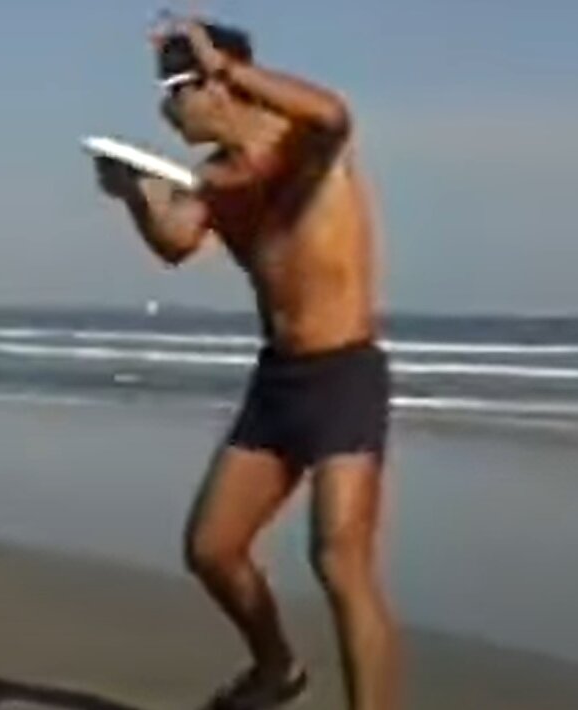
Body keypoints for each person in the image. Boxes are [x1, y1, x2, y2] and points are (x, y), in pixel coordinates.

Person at [92, 16, 400, 710]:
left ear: (216, 81)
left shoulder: (303, 147)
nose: (166, 109)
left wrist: (229, 69)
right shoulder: (216, 178)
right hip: (279, 380)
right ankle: (277, 670)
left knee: (340, 561)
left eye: (176, 90)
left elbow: (335, 114)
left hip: (343, 374)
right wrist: (135, 195)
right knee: (212, 549)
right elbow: (176, 243)